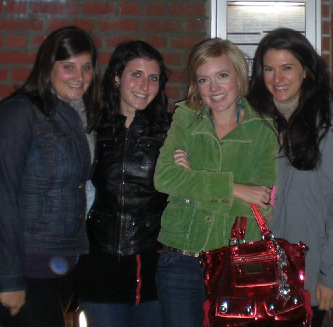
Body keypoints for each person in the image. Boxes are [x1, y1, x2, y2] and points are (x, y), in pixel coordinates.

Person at [247, 27, 333, 327]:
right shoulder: (253, 123)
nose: (277, 79)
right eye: (269, 69)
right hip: (254, 273)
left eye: (287, 68)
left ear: (306, 71)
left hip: (308, 276)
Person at [154, 38, 278, 327]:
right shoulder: (185, 117)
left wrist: (192, 179)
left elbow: (263, 206)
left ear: (238, 75)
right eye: (203, 80)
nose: (214, 88)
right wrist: (235, 188)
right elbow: (164, 178)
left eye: (222, 76)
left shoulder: (264, 128)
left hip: (237, 260)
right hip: (180, 260)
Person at [0, 26, 101, 327]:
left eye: (86, 67)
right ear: (49, 67)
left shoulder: (81, 117)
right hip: (28, 267)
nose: (79, 76)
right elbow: (2, 194)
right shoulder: (20, 112)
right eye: (68, 66)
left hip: (64, 265)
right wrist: (9, 278)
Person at [75, 40, 171, 327]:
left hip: (154, 265)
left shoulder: (173, 131)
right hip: (99, 264)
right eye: (136, 74)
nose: (145, 84)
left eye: (153, 77)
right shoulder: (90, 127)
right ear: (117, 78)